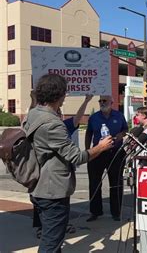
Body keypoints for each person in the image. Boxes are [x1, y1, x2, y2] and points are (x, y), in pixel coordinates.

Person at [27, 74, 113, 252]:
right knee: (51, 243)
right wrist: (101, 147)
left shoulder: (33, 114)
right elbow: (77, 157)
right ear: (60, 95)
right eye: (65, 93)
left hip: (37, 185)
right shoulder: (53, 124)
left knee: (51, 238)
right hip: (52, 191)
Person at [30, 92, 93, 238]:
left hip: (55, 179)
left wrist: (86, 101)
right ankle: (43, 228)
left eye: (58, 112)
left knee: (57, 209)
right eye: (55, 111)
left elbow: (77, 118)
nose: (57, 113)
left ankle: (58, 226)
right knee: (49, 221)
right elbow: (32, 112)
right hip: (44, 177)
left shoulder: (62, 126)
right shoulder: (43, 124)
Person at [85, 95, 128, 222]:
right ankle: (95, 211)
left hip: (115, 152)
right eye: (100, 101)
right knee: (94, 183)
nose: (102, 103)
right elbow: (88, 133)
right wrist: (88, 151)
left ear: (111, 102)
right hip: (98, 152)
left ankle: (116, 212)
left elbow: (125, 129)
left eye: (104, 101)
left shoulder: (119, 115)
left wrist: (121, 135)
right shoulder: (94, 117)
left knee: (116, 183)